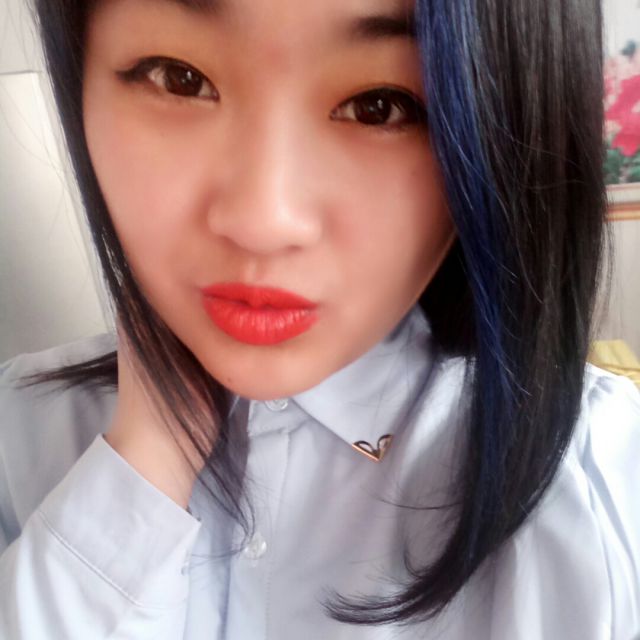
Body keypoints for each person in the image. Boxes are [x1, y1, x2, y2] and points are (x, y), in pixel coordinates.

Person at [1, 0, 638, 637]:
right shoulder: (19, 432)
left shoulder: (602, 490)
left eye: (380, 106)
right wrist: (139, 471)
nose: (263, 221)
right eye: (179, 77)